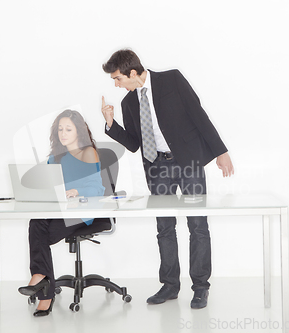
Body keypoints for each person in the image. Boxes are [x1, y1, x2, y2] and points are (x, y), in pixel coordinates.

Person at [101, 49, 234, 309]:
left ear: (132, 73)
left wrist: (221, 152)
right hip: (157, 167)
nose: (116, 84)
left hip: (189, 163)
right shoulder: (128, 103)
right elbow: (134, 144)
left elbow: (199, 115)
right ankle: (170, 285)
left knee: (197, 225)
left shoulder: (172, 80)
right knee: (165, 228)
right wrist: (110, 124)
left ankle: (200, 287)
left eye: (117, 78)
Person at [18, 109, 105, 316]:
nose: (63, 133)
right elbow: (46, 185)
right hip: (57, 211)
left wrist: (77, 191)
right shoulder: (54, 158)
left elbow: (98, 189)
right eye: (60, 129)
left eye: (68, 129)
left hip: (83, 211)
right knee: (36, 222)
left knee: (39, 233)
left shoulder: (88, 153)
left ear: (79, 132)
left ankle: (43, 287)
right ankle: (42, 280)